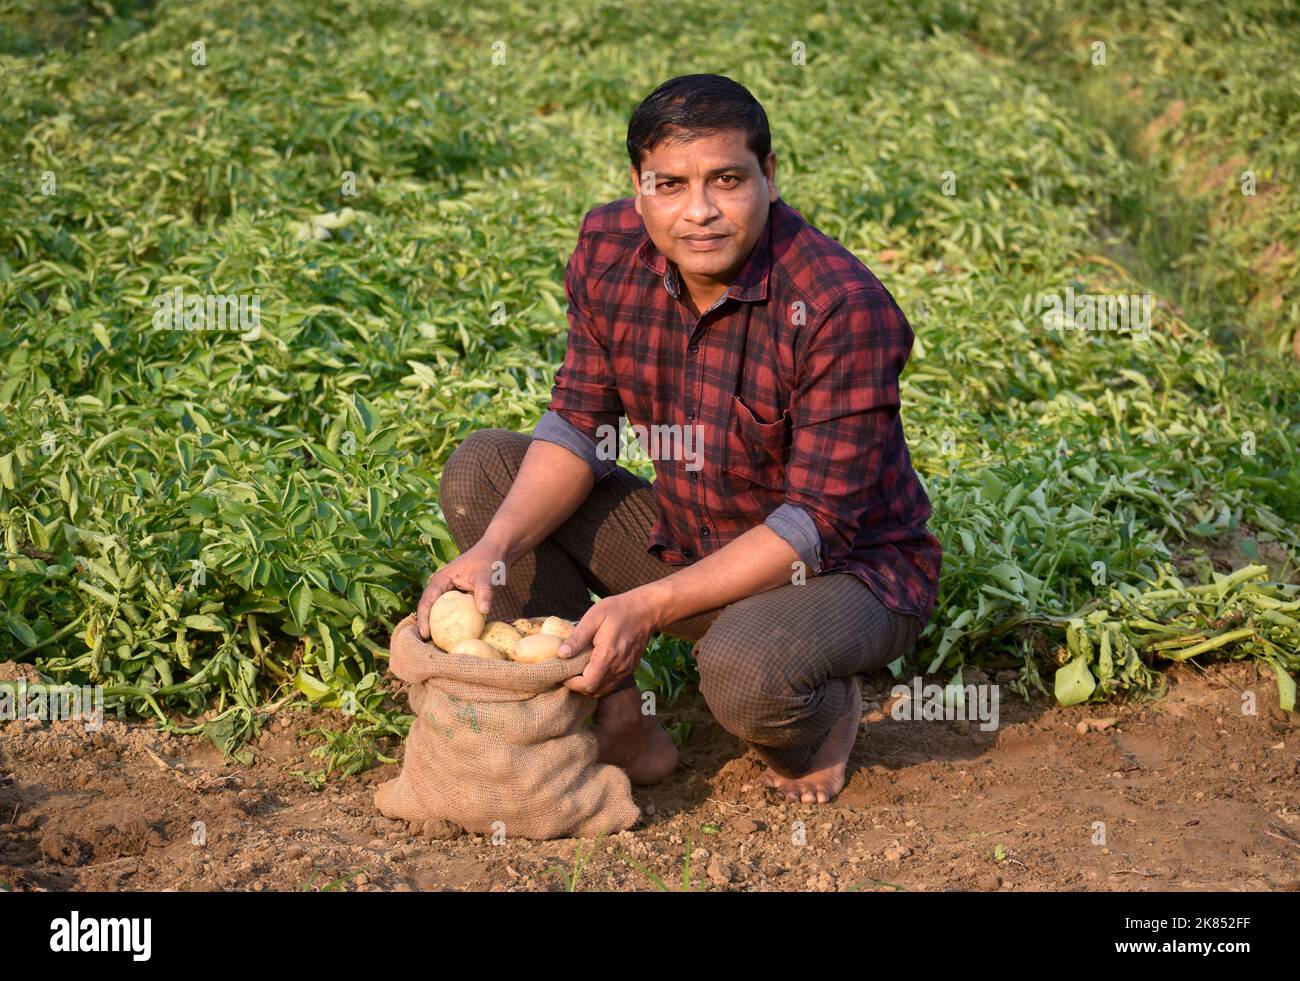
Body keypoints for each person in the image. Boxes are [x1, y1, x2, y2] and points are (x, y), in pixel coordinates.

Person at [417, 73, 941, 804]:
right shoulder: (609, 249)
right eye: (670, 184)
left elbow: (814, 524)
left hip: (839, 574)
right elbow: (580, 423)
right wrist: (493, 550)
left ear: (770, 175)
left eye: (727, 179)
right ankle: (617, 714)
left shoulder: (837, 307)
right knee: (487, 474)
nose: (699, 212)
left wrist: (652, 605)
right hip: (692, 537)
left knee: (744, 670)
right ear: (638, 185)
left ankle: (821, 715)